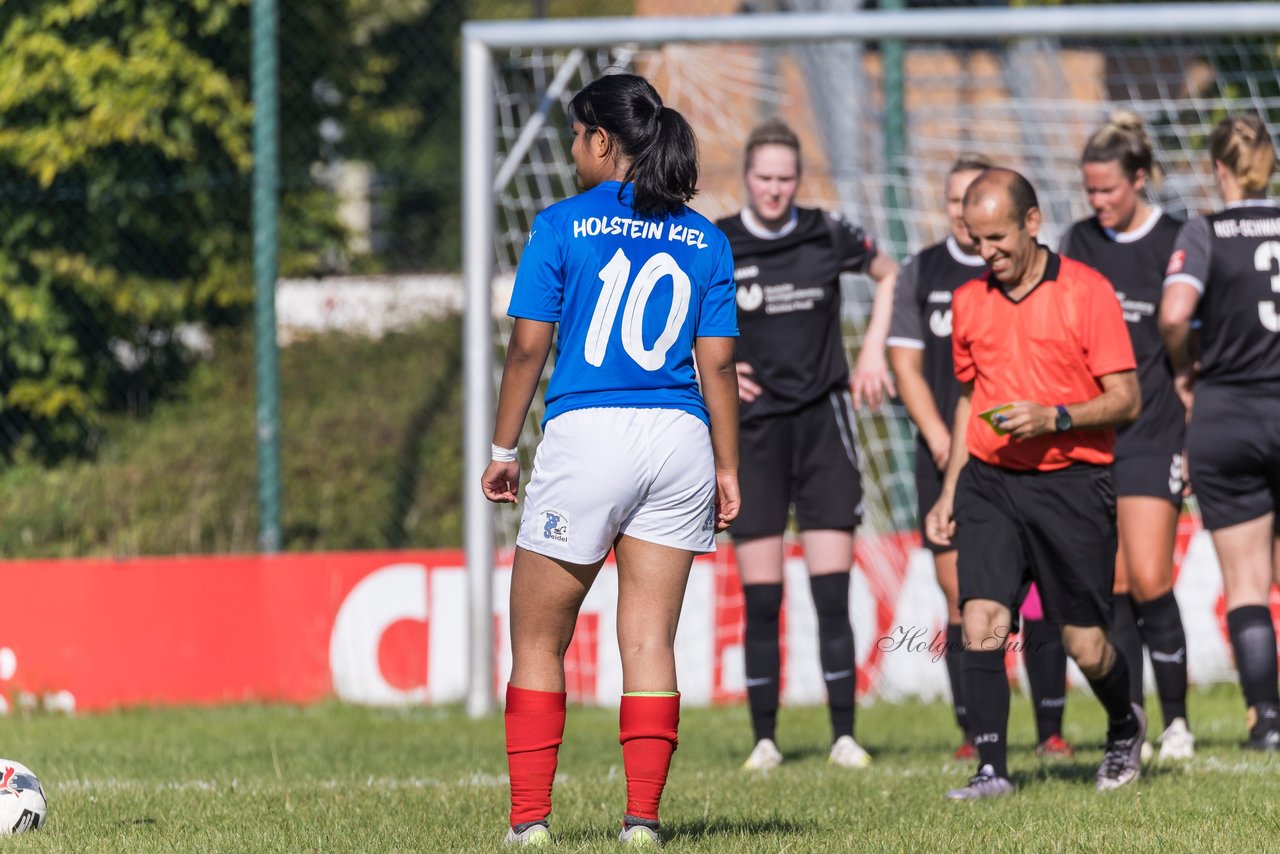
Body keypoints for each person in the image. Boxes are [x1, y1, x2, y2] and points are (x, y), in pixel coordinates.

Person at [481, 73, 741, 846]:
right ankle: (642, 823)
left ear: (600, 139)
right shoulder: (707, 236)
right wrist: (728, 470)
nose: (570, 152)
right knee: (649, 641)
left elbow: (530, 345)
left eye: (574, 136)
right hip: (679, 441)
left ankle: (530, 824)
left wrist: (503, 449)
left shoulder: (560, 224)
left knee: (537, 638)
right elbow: (719, 367)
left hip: (590, 435)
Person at [926, 168, 1145, 800]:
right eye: (974, 239)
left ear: (1031, 222)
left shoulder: (1087, 291)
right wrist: (949, 489)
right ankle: (992, 769)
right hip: (991, 482)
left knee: (1083, 641)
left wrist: (1056, 417)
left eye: (996, 238)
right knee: (982, 617)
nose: (985, 252)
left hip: (1073, 483)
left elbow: (1126, 397)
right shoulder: (969, 300)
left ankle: (1123, 725)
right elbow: (969, 395)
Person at [715, 118, 898, 772]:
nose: (774, 189)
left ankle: (844, 734)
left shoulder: (826, 231)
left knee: (830, 590)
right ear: (745, 177)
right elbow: (671, 310)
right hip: (755, 433)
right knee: (762, 597)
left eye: (785, 178)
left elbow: (890, 274)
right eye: (763, 177)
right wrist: (709, 365)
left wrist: (871, 348)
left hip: (824, 424)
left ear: (799, 179)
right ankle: (764, 739)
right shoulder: (717, 241)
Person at [888, 155, 1075, 763]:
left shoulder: (1030, 278)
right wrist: (942, 438)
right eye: (954, 203)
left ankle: (1050, 728)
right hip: (943, 453)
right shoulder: (924, 271)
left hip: (1019, 458)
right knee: (963, 601)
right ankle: (977, 733)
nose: (967, 218)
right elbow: (905, 366)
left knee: (1038, 598)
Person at [1059, 111, 1195, 761]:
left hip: (1154, 429)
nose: (1097, 203)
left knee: (1148, 577)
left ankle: (1178, 723)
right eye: (1089, 192)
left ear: (1139, 179)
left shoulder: (1176, 238)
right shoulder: (1078, 242)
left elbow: (1194, 342)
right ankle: (1132, 721)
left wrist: (1196, 425)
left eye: (1108, 190)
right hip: (1093, 434)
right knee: (1110, 585)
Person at [1160, 114, 1280, 750]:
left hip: (1228, 414)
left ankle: (1266, 720)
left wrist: (1184, 370)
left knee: (1247, 582)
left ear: (1219, 169)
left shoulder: (1204, 231)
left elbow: (1175, 311)